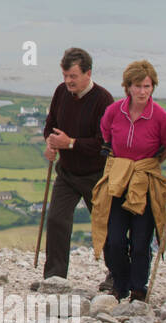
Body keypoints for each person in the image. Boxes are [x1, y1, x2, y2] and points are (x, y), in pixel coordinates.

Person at [91, 60, 166, 302]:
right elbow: (107, 134)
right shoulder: (114, 111)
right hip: (118, 179)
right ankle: (120, 282)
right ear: (127, 87)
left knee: (140, 242)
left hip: (144, 182)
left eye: (147, 86)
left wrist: (149, 164)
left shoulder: (159, 116)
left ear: (153, 87)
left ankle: (139, 288)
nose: (142, 92)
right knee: (115, 240)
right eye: (137, 86)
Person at [40, 47, 113, 283]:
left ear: (88, 73)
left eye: (73, 76)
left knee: (105, 226)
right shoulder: (61, 92)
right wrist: (50, 143)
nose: (68, 81)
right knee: (56, 220)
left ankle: (117, 276)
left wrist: (70, 143)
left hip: (96, 175)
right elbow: (51, 125)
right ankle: (54, 278)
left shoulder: (103, 100)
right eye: (65, 75)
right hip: (67, 173)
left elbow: (104, 144)